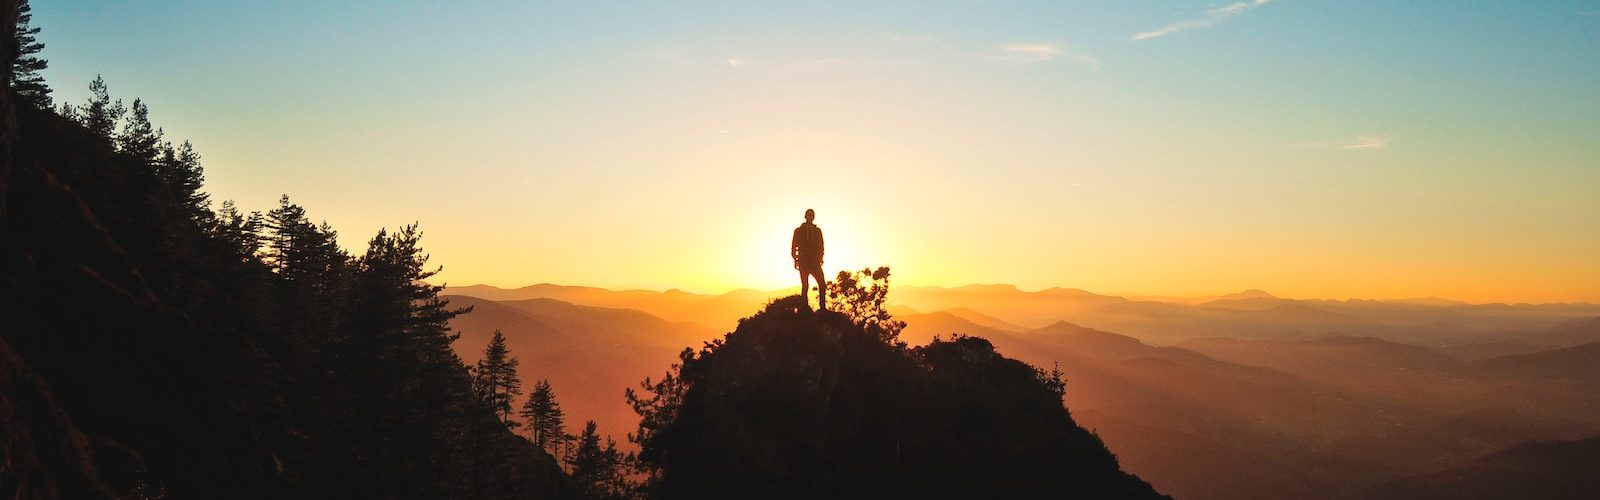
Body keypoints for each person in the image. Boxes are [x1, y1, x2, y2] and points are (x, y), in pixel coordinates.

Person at [791, 209, 827, 310]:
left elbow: (821, 245)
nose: (810, 217)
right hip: (803, 261)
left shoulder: (817, 231)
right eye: (808, 215)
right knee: (805, 285)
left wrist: (821, 257)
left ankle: (822, 307)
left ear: (813, 217)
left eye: (812, 215)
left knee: (822, 284)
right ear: (805, 216)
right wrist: (796, 259)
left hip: (815, 261)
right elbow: (794, 246)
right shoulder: (798, 231)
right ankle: (804, 307)